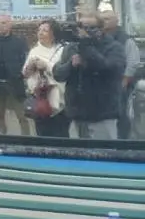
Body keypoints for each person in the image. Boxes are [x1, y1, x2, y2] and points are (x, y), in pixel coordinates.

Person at [53, 9, 125, 140]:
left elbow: (107, 68)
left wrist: (86, 46)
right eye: (81, 26)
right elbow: (58, 74)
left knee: (104, 155)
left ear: (100, 28)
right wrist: (71, 64)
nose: (84, 31)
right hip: (77, 113)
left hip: (102, 113)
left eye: (89, 27)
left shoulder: (114, 47)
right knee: (77, 155)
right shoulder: (72, 48)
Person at [22, 19, 69, 137]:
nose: (40, 33)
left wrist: (46, 66)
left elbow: (64, 72)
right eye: (39, 30)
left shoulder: (63, 50)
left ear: (54, 33)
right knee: (42, 133)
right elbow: (25, 74)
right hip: (40, 100)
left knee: (60, 134)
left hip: (59, 100)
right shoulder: (34, 50)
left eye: (45, 30)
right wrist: (30, 67)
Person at [0, 17, 31, 136]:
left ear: (10, 24)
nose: (1, 25)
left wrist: (20, 74)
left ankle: (26, 140)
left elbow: (26, 60)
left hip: (15, 83)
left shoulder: (19, 41)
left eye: (4, 23)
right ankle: (2, 137)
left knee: (21, 116)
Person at [99, 10, 141, 139]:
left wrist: (125, 80)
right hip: (103, 84)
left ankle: (123, 143)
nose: (104, 21)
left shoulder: (126, 39)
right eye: (102, 19)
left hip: (120, 84)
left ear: (116, 21)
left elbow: (133, 62)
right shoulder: (99, 37)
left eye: (107, 18)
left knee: (121, 114)